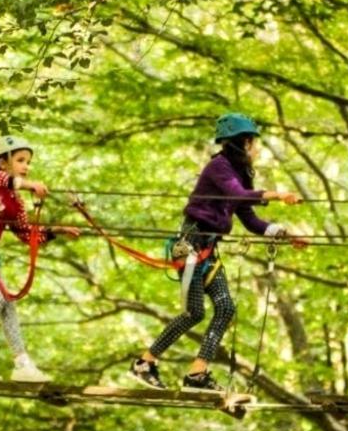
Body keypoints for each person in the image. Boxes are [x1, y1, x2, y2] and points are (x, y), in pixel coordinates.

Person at [128, 113, 309, 392]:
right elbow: (237, 196)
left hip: (208, 249)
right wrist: (277, 195)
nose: (258, 149)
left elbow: (251, 221)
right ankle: (144, 363)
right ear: (244, 143)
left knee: (226, 308)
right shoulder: (219, 167)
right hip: (190, 245)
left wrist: (285, 233)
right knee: (194, 312)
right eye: (255, 143)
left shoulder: (239, 176)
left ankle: (197, 374)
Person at [0, 135, 79, 382]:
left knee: (7, 304)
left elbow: (27, 235)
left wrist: (55, 231)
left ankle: (22, 365)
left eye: (28, 162)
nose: (26, 166)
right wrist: (29, 185)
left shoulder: (15, 203)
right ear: (2, 162)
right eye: (20, 160)